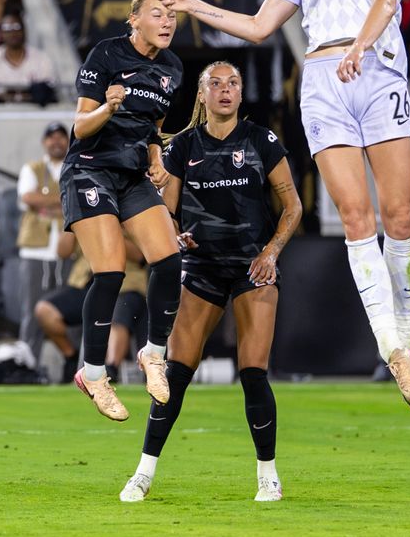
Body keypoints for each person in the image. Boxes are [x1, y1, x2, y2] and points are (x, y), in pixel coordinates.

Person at [156, 0, 410, 407]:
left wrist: (361, 47)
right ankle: (392, 348)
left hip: (375, 70)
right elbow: (259, 27)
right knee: (356, 218)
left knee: (398, 216)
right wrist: (194, 4)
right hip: (325, 80)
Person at [120, 60, 301, 503]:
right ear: (201, 95)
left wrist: (270, 252)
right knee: (176, 374)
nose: (225, 90)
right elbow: (166, 209)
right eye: (215, 84)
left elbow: (293, 207)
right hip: (201, 269)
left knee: (253, 373)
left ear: (241, 94)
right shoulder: (182, 146)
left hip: (251, 270)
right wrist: (173, 232)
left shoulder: (262, 140)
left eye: (233, 83)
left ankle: (268, 476)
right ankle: (143, 473)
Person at [61, 0, 185, 420]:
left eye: (171, 15)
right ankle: (92, 373)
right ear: (134, 19)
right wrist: (108, 109)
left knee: (169, 260)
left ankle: (153, 354)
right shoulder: (106, 55)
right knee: (111, 270)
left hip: (132, 174)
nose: (167, 21)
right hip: (90, 168)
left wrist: (157, 157)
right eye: (157, 13)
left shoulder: (173, 68)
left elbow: (153, 127)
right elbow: (79, 127)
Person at [34, 229, 148, 383]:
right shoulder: (84, 210)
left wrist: (106, 230)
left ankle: (111, 368)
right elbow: (62, 252)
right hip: (85, 282)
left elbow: (140, 256)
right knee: (44, 310)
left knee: (117, 313)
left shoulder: (130, 212)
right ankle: (71, 357)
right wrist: (74, 223)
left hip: (126, 284)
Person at [16, 122, 71, 359]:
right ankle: (27, 364)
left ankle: (76, 365)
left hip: (69, 251)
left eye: (61, 137)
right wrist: (64, 202)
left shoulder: (75, 166)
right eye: (51, 137)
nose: (56, 141)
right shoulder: (33, 168)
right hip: (35, 252)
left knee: (70, 311)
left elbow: (79, 198)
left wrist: (46, 201)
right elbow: (28, 197)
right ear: (44, 142)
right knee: (31, 311)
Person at [0, 11, 55, 103]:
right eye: (7, 28)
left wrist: (28, 94)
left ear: (24, 30)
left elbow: (49, 90)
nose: (13, 32)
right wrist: (3, 96)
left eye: (17, 27)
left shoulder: (42, 58)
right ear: (1, 33)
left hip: (33, 109)